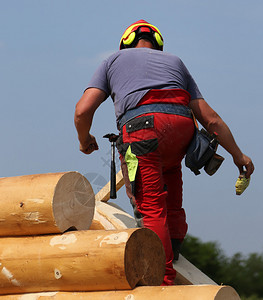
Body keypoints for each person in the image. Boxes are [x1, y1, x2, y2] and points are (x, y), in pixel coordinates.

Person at [74, 20, 254, 285]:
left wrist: (84, 139)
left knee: (152, 207)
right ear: (158, 45)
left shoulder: (113, 61)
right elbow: (211, 119)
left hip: (142, 130)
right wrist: (239, 156)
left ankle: (163, 280)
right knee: (171, 184)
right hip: (180, 130)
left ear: (125, 43)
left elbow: (82, 111)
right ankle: (174, 246)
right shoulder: (175, 62)